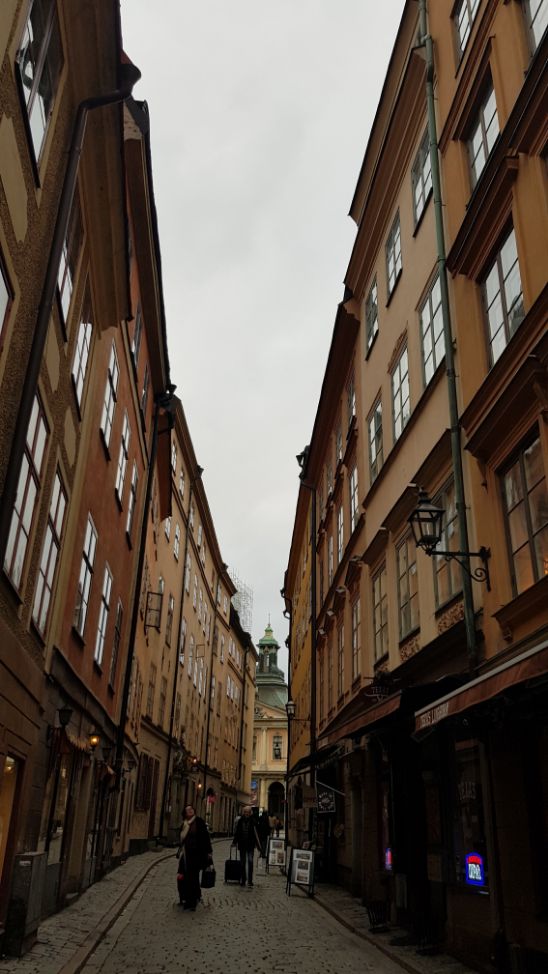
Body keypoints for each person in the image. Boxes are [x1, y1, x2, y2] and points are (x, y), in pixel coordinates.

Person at [177, 804, 212, 910]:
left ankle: (191, 903)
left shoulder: (199, 822)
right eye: (188, 810)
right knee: (183, 877)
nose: (190, 810)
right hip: (186, 855)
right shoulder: (184, 824)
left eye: (191, 809)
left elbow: (206, 837)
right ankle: (187, 898)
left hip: (196, 855)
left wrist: (209, 852)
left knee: (193, 877)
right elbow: (181, 839)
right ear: (185, 813)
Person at [233, 805, 260, 887]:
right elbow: (237, 832)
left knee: (250, 861)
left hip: (250, 845)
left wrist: (258, 845)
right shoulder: (240, 821)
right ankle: (243, 879)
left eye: (248, 812)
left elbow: (256, 834)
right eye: (245, 812)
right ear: (243, 813)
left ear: (250, 813)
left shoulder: (253, 821)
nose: (246, 813)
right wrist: (234, 842)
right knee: (242, 863)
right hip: (242, 845)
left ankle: (250, 880)